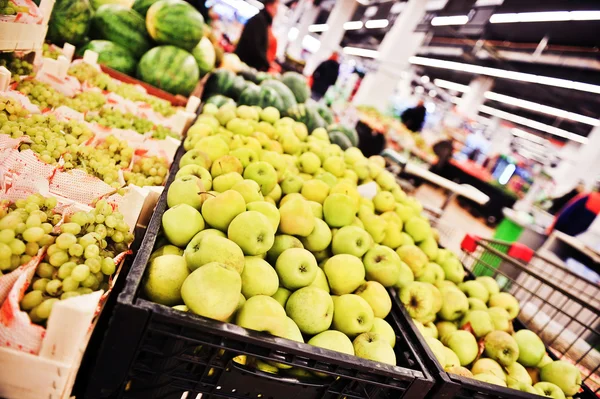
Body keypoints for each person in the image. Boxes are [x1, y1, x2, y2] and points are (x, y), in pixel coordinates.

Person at [234, 0, 279, 71]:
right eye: (276, 7)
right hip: (242, 65)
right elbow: (255, 47)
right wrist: (267, 64)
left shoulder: (263, 21)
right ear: (269, 6)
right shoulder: (259, 20)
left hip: (244, 66)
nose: (276, 12)